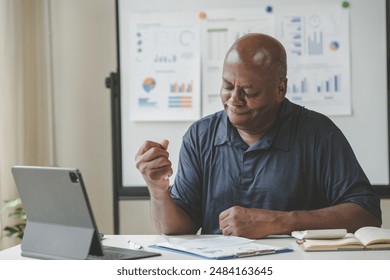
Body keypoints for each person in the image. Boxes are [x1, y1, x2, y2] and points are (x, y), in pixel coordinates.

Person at [135, 33, 382, 239]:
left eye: (249, 91)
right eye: (228, 86)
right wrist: (158, 190)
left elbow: (366, 214)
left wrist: (279, 221)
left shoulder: (318, 133)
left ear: (280, 89)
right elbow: (178, 228)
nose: (234, 100)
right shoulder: (200, 136)